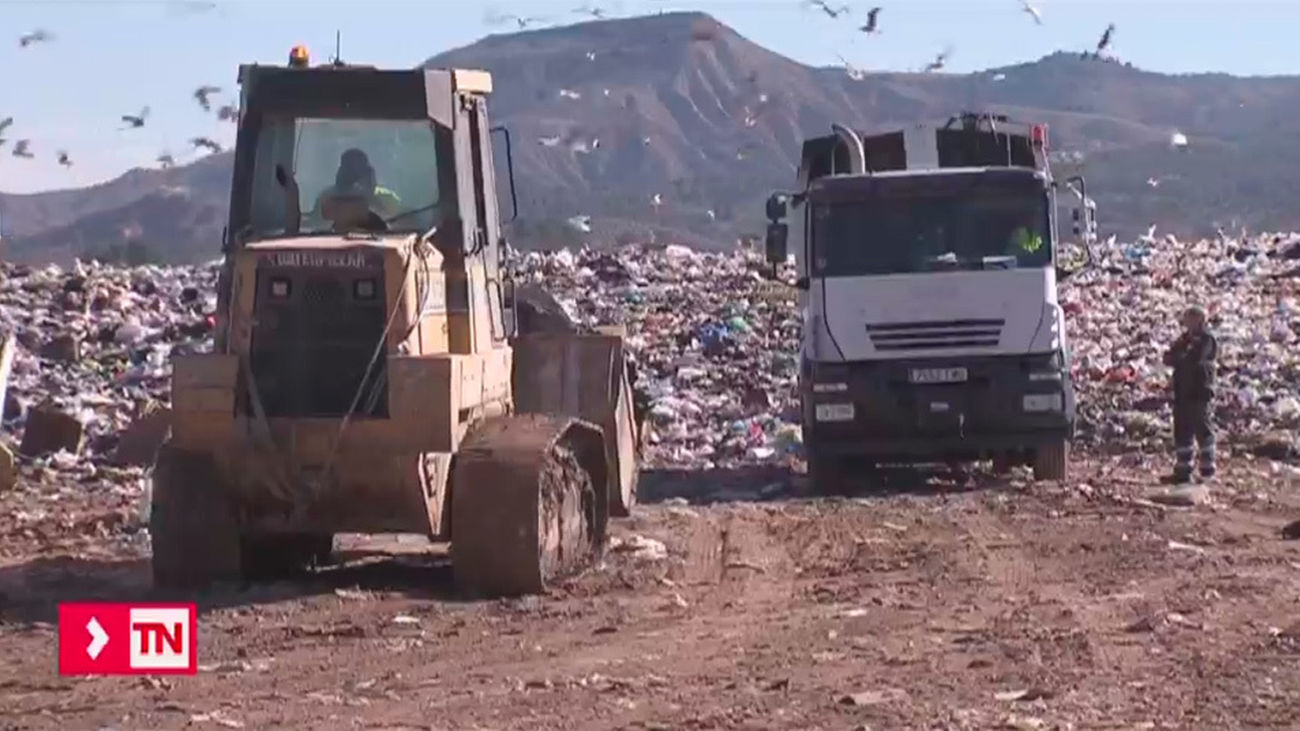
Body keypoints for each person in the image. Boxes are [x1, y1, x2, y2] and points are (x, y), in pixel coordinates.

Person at [1162, 304, 1218, 483]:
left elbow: (1194, 359)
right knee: (1182, 430)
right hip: (1182, 392)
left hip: (1200, 391)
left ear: (1200, 320)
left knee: (1203, 430)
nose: (1187, 322)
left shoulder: (1207, 339)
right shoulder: (1184, 339)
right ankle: (1183, 470)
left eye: (1191, 318)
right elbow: (1169, 357)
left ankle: (1207, 470)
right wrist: (1180, 357)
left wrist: (1181, 357)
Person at [314, 148, 403, 224]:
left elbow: (399, 223)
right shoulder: (328, 197)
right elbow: (316, 226)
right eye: (350, 171)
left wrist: (371, 197)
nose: (356, 176)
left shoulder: (386, 198)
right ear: (341, 173)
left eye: (361, 170)